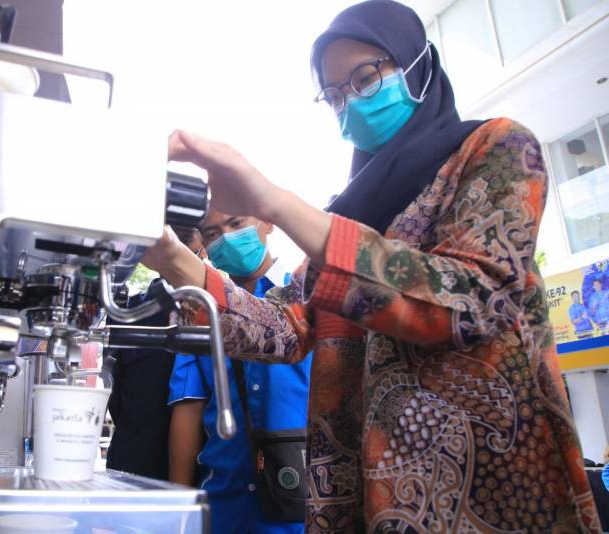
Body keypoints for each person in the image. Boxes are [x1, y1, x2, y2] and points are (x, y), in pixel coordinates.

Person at [143, 1, 600, 531]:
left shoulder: (495, 150)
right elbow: (282, 330)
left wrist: (277, 204)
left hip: (487, 498)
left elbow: (470, 300)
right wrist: (168, 254)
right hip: (368, 501)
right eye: (335, 96)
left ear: (418, 65)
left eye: (365, 78)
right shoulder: (348, 216)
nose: (352, 104)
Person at [168, 210, 311, 534]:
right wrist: (178, 512)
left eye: (236, 224)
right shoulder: (198, 313)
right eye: (212, 233)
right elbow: (188, 410)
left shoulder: (307, 303)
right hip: (222, 502)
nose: (228, 239)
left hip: (299, 506)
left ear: (268, 223)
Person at [105, 227, 205, 480]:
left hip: (199, 479)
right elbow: (114, 395)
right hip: (132, 471)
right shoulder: (127, 314)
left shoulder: (220, 316)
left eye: (185, 240)